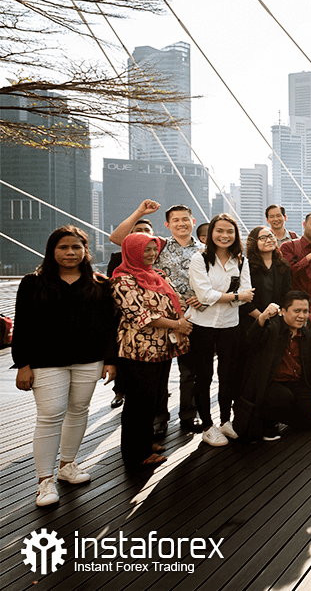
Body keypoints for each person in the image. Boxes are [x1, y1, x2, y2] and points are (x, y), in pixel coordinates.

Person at [14, 226, 117, 506]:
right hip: (46, 361)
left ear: (85, 251)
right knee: (50, 415)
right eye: (63, 247)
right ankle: (44, 481)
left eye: (76, 247)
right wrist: (22, 364)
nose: (70, 252)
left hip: (89, 359)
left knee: (78, 411)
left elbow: (108, 326)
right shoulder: (33, 283)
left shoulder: (99, 284)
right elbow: (22, 325)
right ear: (52, 251)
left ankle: (67, 465)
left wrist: (110, 360)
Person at [110, 200, 203, 436]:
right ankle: (159, 418)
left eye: (185, 219)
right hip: (159, 323)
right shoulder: (158, 245)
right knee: (157, 378)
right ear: (167, 224)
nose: (181, 223)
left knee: (190, 373)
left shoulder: (204, 249)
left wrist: (206, 298)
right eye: (175, 220)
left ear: (193, 222)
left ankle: (188, 415)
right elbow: (119, 239)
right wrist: (140, 212)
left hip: (194, 317)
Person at [110, 233, 192, 473]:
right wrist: (177, 325)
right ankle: (135, 454)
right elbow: (141, 315)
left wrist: (184, 315)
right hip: (138, 349)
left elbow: (176, 301)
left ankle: (145, 443)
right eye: (145, 249)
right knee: (138, 402)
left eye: (154, 249)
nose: (151, 254)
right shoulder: (122, 280)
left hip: (162, 348)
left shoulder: (158, 275)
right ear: (132, 252)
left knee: (153, 399)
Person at [188, 213, 254, 447]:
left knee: (228, 375)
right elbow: (205, 294)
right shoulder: (200, 259)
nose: (224, 235)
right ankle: (207, 425)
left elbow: (248, 296)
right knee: (203, 376)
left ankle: (226, 420)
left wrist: (218, 298)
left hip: (229, 324)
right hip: (202, 325)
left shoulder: (241, 261)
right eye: (219, 231)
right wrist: (234, 296)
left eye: (229, 231)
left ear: (236, 235)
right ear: (211, 233)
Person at [239, 292, 311, 441]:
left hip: (296, 383)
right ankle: (269, 422)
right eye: (297, 311)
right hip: (271, 385)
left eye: (305, 311)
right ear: (283, 311)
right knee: (283, 397)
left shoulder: (306, 334)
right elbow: (251, 340)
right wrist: (262, 318)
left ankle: (283, 416)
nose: (302, 316)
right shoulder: (272, 328)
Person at [106, 218, 155, 409]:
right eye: (137, 230)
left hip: (154, 318)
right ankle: (120, 391)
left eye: (146, 230)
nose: (142, 233)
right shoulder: (119, 258)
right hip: (126, 317)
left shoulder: (157, 255)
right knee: (124, 356)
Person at [245, 226, 293, 320]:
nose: (269, 240)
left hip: (276, 318)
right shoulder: (247, 266)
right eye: (263, 238)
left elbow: (287, 293)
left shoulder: (283, 265)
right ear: (254, 242)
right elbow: (245, 300)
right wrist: (262, 318)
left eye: (271, 236)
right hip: (252, 319)